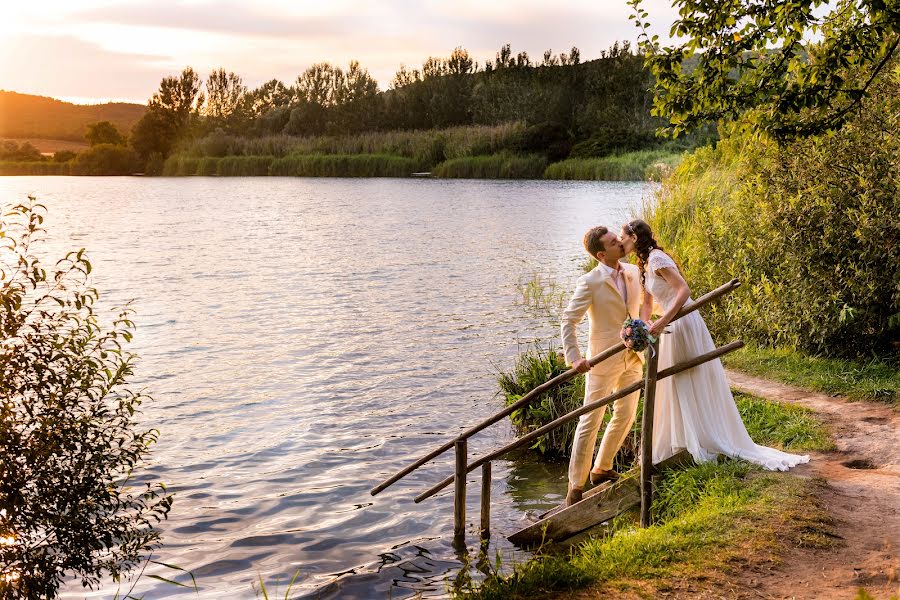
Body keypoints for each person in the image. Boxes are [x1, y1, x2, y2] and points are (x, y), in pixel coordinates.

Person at [620, 219, 809, 470]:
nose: (620, 241)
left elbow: (683, 291)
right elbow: (646, 304)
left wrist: (663, 320)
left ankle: (703, 438)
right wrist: (642, 328)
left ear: (633, 237)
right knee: (675, 381)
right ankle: (685, 439)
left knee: (688, 376)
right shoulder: (643, 263)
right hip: (668, 327)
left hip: (683, 321)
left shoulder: (656, 258)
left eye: (622, 236)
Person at [561, 226, 644, 507]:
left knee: (626, 414)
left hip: (633, 356)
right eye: (613, 242)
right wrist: (574, 358)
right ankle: (575, 487)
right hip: (602, 359)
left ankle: (602, 467)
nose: (620, 243)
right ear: (601, 253)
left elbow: (645, 306)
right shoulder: (591, 282)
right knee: (590, 421)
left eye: (617, 238)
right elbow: (568, 321)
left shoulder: (633, 272)